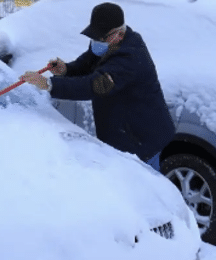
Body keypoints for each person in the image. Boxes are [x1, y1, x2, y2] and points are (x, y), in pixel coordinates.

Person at [21, 2, 174, 170]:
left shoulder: (129, 59)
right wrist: (66, 69)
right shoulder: (108, 43)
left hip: (140, 140)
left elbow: (94, 85)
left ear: (119, 34)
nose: (96, 42)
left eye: (101, 37)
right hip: (124, 133)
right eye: (94, 36)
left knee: (142, 188)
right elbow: (88, 62)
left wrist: (50, 84)